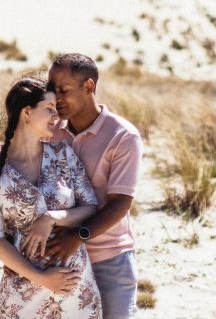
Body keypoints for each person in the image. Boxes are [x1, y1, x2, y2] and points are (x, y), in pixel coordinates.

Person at [0, 76, 103, 318]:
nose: (57, 116)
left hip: (76, 291)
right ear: (26, 112)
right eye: (49, 109)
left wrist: (51, 218)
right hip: (24, 293)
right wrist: (42, 279)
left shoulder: (64, 154)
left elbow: (90, 207)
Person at [45, 54, 143, 319]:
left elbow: (121, 203)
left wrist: (77, 236)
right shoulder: (49, 129)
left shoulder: (123, 136)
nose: (55, 98)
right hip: (58, 260)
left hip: (109, 259)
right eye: (52, 90)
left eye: (63, 91)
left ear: (89, 87)